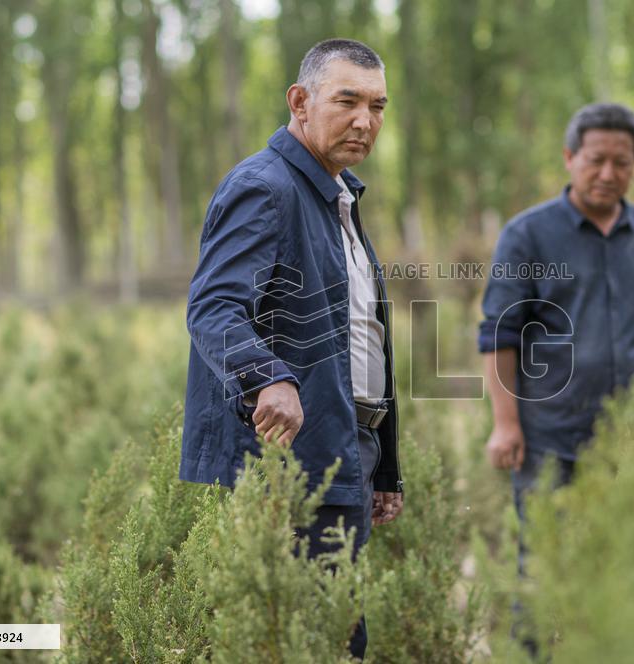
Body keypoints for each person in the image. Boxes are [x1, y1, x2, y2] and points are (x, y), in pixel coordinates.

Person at [179, 38, 403, 660]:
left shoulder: (339, 197)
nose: (365, 121)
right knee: (309, 642)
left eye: (378, 106)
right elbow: (214, 308)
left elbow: (362, 339)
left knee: (337, 636)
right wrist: (267, 377)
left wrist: (382, 467)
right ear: (300, 102)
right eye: (348, 101)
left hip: (343, 451)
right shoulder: (265, 187)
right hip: (286, 465)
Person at [478, 100, 634, 558]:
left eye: (622, 162)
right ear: (570, 158)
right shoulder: (527, 235)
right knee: (543, 572)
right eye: (596, 161)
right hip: (548, 440)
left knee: (629, 571)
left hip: (632, 440)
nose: (608, 173)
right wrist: (505, 424)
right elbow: (500, 334)